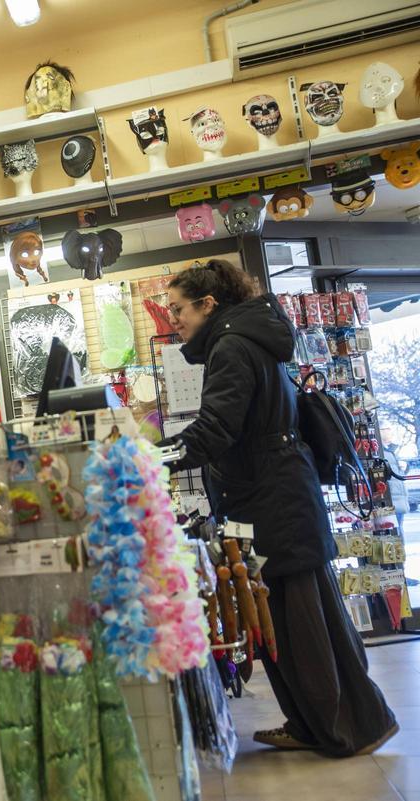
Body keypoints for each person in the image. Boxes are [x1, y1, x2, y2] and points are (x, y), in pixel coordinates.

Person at [161, 259, 397, 757]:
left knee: (298, 620)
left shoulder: (231, 347)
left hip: (272, 501)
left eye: (179, 309)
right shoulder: (244, 340)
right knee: (296, 617)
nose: (173, 319)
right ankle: (319, 724)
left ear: (208, 304)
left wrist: (152, 458)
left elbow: (217, 428)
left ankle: (346, 728)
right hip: (277, 494)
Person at [384, 441, 409, 533]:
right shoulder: (384, 451)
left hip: (397, 498)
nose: (391, 433)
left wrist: (406, 467)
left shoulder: (391, 450)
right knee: (395, 530)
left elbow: (400, 475)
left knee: (397, 529)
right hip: (392, 499)